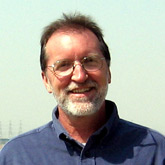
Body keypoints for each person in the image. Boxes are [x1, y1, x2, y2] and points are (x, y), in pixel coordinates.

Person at [0, 13, 165, 165]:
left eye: (90, 61)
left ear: (108, 72)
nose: (79, 76)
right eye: (63, 65)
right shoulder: (17, 156)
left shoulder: (155, 151)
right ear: (46, 81)